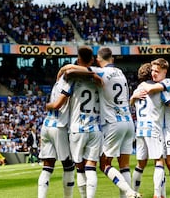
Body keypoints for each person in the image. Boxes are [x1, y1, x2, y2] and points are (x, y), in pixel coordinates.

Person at [58, 47, 141, 198]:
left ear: (98, 60)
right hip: (129, 122)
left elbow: (73, 69)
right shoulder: (121, 73)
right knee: (124, 167)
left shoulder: (102, 71)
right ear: (112, 59)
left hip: (113, 122)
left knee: (104, 164)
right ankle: (129, 194)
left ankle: (129, 192)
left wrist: (64, 68)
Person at [46, 46, 103, 198]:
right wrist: (93, 74)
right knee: (91, 168)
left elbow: (68, 71)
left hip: (77, 128)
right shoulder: (101, 75)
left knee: (79, 168)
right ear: (92, 60)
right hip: (95, 127)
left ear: (78, 59)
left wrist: (49, 105)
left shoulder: (72, 78)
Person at [130, 59, 170, 198]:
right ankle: (158, 194)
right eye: (152, 71)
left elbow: (132, 102)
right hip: (154, 128)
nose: (154, 74)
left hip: (140, 129)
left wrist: (133, 97)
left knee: (141, 164)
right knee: (159, 161)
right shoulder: (158, 91)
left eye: (156, 71)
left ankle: (133, 192)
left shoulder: (139, 89)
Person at [37, 55, 75, 198]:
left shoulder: (57, 82)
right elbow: (59, 104)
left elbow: (61, 70)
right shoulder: (68, 84)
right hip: (59, 127)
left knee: (47, 166)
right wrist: (49, 105)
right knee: (68, 166)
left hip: (46, 125)